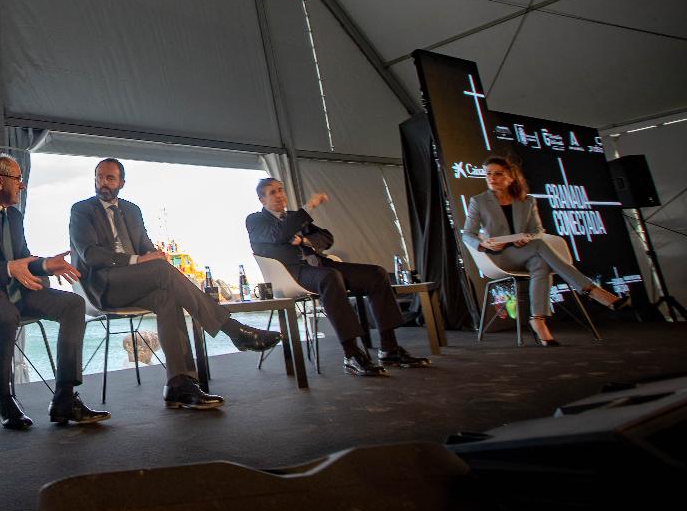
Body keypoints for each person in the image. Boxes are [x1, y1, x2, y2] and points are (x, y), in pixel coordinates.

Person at [70, 159, 282, 410]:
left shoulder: (132, 210)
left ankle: (179, 383)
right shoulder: (82, 210)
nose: (103, 182)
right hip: (103, 286)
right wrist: (139, 259)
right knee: (161, 272)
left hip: (136, 282)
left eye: (110, 178)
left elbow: (144, 243)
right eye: (99, 177)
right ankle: (233, 330)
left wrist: (153, 254)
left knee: (167, 297)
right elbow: (90, 255)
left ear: (122, 183)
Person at [0, 154, 108, 429]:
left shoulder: (15, 215)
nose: (22, 186)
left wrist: (45, 265)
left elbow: (22, 258)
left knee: (73, 305)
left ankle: (64, 398)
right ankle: (2, 399)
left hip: (17, 289)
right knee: (5, 315)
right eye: (18, 179)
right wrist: (9, 269)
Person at [246, 178, 430, 376]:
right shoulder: (256, 220)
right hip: (291, 273)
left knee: (376, 274)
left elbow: (326, 238)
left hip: (321, 266)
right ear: (261, 199)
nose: (280, 194)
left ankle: (389, 349)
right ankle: (351, 354)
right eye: (272, 192)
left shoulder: (295, 217)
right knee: (331, 277)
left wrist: (305, 240)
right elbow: (277, 235)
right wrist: (308, 207)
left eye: (281, 190)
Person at [461, 156, 625, 345]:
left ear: (511, 177)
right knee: (539, 249)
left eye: (498, 174)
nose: (492, 178)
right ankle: (590, 290)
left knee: (540, 264)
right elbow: (468, 234)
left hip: (528, 252)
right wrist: (484, 245)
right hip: (501, 256)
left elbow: (538, 231)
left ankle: (538, 321)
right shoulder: (478, 201)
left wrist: (526, 238)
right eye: (488, 174)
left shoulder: (526, 201)